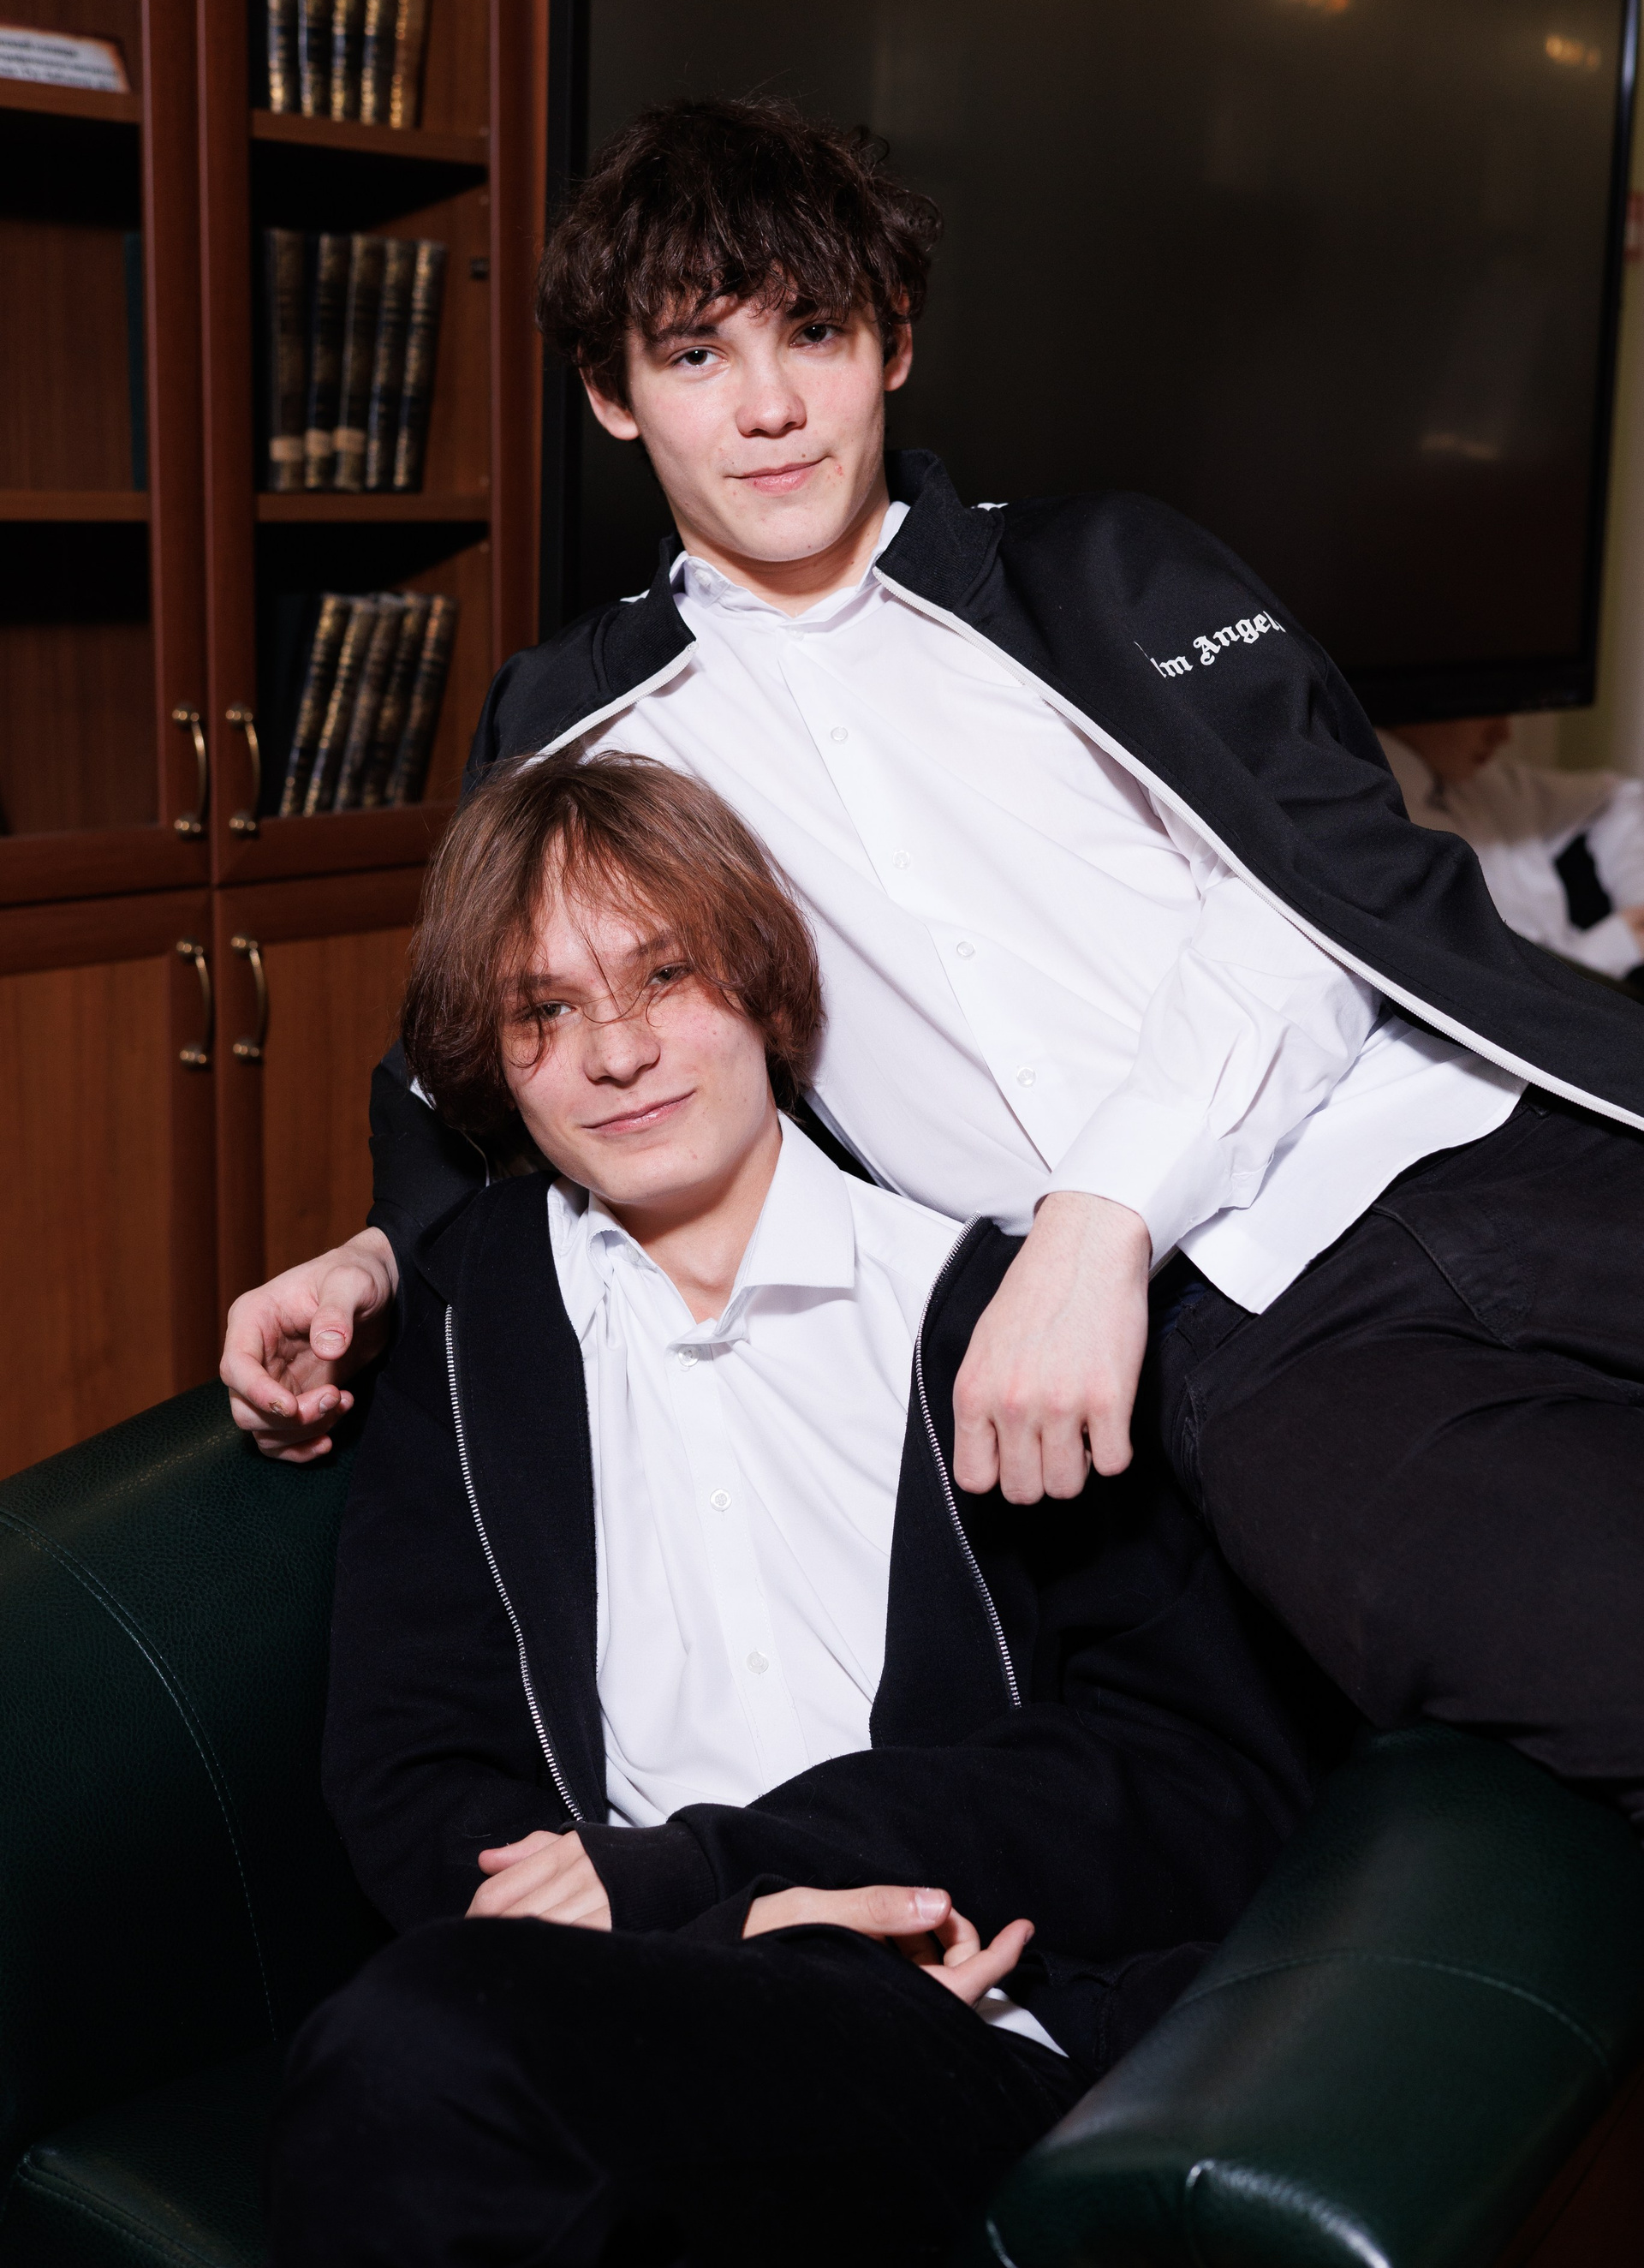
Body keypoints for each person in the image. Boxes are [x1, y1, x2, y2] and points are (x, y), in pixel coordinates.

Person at [225, 95, 1644, 1833]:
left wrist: (1096, 1218)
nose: (767, 407)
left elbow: (1321, 895)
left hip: (1482, 1143)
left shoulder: (1105, 568)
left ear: (892, 343)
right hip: (1243, 1344)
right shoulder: (577, 724)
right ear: (611, 393)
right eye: (695, 353)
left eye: (814, 333)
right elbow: (484, 1047)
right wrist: (372, 1261)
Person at [270, 750, 1316, 2268]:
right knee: (415, 2065)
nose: (619, 1052)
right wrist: (728, 1929)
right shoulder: (464, 1327)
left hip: (964, 2012)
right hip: (636, 2000)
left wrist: (745, 1873)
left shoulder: (992, 1323)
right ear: (497, 1066)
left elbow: (1196, 1778)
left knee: (406, 2062)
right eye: (545, 1010)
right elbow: (411, 1762)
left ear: (763, 982)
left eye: (664, 975)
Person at [1380, 715, 1644, 982]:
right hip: (1557, 991)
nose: (1504, 734)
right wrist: (1608, 950)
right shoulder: (1387, 827)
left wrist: (1637, 902)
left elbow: (1617, 796)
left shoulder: (1482, 783)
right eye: (1486, 710)